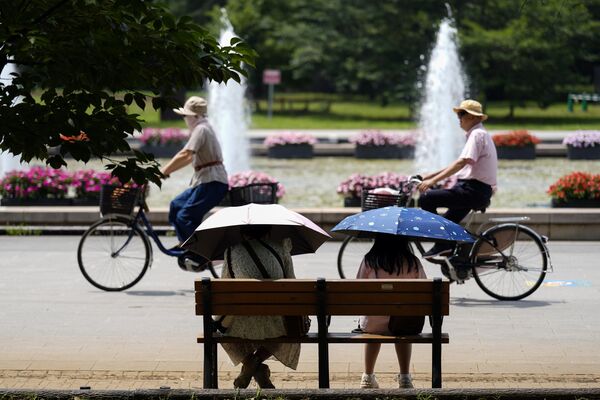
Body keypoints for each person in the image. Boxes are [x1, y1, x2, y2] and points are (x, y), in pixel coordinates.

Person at [218, 225, 300, 389]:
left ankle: (250, 363)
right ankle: (257, 363)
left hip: (241, 323)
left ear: (242, 232)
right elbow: (292, 284)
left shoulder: (231, 252)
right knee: (291, 330)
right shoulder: (281, 249)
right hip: (277, 325)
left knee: (218, 328)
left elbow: (225, 288)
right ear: (269, 231)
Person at [416, 99, 497, 258]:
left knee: (426, 198)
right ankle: (452, 250)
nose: (459, 118)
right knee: (448, 223)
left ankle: (444, 244)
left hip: (473, 190)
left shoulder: (477, 134)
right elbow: (458, 163)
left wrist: (432, 182)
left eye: (462, 114)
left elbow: (461, 163)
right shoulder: (477, 134)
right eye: (459, 114)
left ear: (474, 117)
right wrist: (429, 176)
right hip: (473, 190)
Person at [356, 234, 427, 389]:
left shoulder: (369, 261)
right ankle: (405, 377)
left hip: (373, 323)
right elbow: (425, 292)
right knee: (403, 332)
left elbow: (358, 289)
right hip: (404, 322)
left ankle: (367, 377)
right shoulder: (413, 262)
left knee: (373, 331)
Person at [160, 96, 229, 248]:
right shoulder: (203, 128)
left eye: (186, 115)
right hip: (205, 181)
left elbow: (185, 154)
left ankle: (201, 252)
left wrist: (163, 171)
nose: (184, 119)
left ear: (195, 116)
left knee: (184, 217)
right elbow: (188, 159)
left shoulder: (201, 129)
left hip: (212, 182)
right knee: (176, 205)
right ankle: (186, 244)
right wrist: (167, 172)